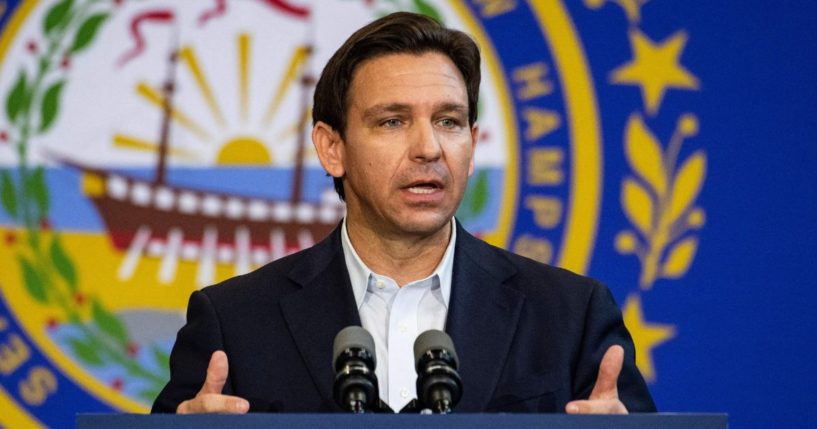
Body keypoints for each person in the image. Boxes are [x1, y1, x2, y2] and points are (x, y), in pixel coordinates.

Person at [152, 11, 655, 414]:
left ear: (473, 144)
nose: (429, 148)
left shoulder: (570, 315)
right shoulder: (236, 323)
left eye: (449, 121)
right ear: (332, 149)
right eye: (393, 121)